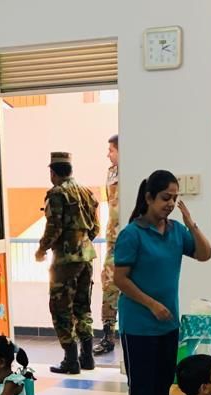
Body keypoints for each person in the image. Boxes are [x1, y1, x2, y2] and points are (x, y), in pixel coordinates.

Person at [114, 170, 211, 395]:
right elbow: (120, 279)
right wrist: (151, 304)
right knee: (142, 391)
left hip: (167, 325)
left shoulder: (176, 230)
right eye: (165, 198)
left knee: (162, 387)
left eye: (174, 198)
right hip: (138, 326)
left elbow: (205, 254)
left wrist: (191, 223)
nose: (170, 203)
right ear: (149, 198)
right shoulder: (132, 234)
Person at [34, 151, 100, 375]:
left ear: (53, 173)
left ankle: (71, 360)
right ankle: (87, 357)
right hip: (86, 257)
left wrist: (42, 249)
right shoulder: (85, 191)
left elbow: (54, 227)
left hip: (65, 261)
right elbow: (95, 228)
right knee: (83, 306)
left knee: (60, 308)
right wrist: (82, 243)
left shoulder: (57, 193)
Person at [98, 134, 120, 355]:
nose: (108, 155)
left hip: (130, 237)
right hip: (113, 238)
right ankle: (108, 336)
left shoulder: (135, 171)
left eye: (111, 150)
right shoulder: (111, 172)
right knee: (109, 286)